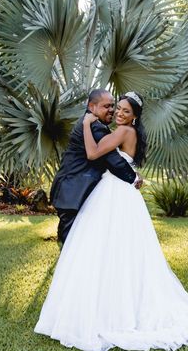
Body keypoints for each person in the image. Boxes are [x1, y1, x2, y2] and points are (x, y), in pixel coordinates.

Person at [34, 91, 188, 351]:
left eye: (123, 110)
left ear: (134, 116)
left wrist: (87, 125)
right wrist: (132, 175)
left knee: (103, 247)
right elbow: (118, 160)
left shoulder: (118, 131)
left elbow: (94, 153)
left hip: (114, 192)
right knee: (120, 248)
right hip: (117, 191)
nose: (118, 113)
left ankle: (104, 308)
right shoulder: (124, 132)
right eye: (116, 108)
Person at [49, 89, 142, 245]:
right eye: (107, 106)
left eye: (113, 106)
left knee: (77, 237)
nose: (112, 110)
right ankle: (68, 268)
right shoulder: (95, 127)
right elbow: (113, 159)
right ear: (92, 107)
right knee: (71, 238)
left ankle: (70, 267)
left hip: (75, 187)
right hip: (74, 188)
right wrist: (133, 177)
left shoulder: (96, 124)